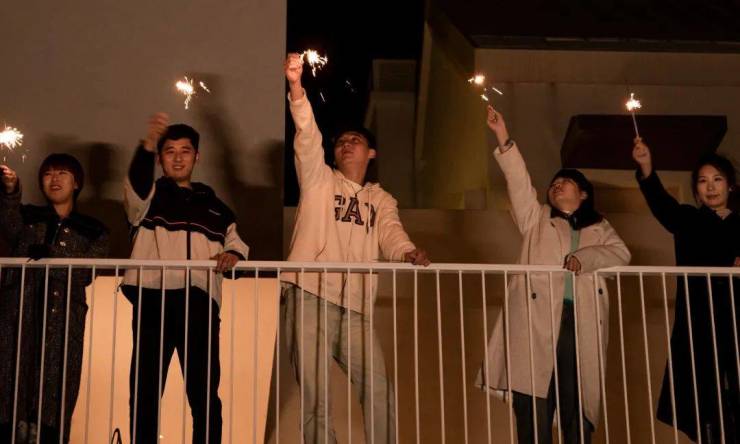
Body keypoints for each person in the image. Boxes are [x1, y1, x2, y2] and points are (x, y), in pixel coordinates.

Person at [277, 53, 429, 444]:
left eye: (355, 140)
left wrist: (408, 252)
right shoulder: (319, 180)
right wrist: (296, 87)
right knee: (316, 396)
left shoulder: (382, 199)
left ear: (370, 153)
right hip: (309, 294)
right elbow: (307, 138)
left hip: (356, 307)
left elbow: (391, 233)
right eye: (341, 141)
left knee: (378, 389)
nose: (346, 145)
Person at [477, 107, 631, 443]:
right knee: (533, 403)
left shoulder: (600, 227)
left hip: (580, 320)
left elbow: (621, 254)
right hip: (537, 319)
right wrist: (503, 136)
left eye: (565, 182)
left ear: (584, 193)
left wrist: (583, 258)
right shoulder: (536, 219)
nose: (556, 186)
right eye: (553, 184)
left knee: (577, 402)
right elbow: (519, 183)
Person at [122, 115, 249, 443]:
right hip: (153, 296)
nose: (178, 158)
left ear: (197, 156)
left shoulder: (218, 208)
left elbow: (236, 243)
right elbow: (136, 184)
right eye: (169, 151)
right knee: (146, 388)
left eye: (185, 151)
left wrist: (233, 254)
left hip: (200, 300)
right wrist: (147, 144)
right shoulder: (149, 197)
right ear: (160, 159)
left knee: (204, 391)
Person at [632, 137, 740, 442]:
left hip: (735, 322)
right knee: (704, 403)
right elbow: (661, 204)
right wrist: (646, 167)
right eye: (703, 181)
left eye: (718, 179)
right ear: (696, 189)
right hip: (699, 324)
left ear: (730, 186)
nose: (711, 187)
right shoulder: (689, 220)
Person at [0, 155, 109, 443]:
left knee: (54, 393)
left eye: (62, 173)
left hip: (63, 325)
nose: (55, 178)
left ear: (77, 183)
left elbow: (87, 271)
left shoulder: (93, 229)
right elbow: (9, 224)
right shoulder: (27, 217)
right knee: (10, 387)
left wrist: (52, 256)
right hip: (17, 318)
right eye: (48, 174)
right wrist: (11, 190)